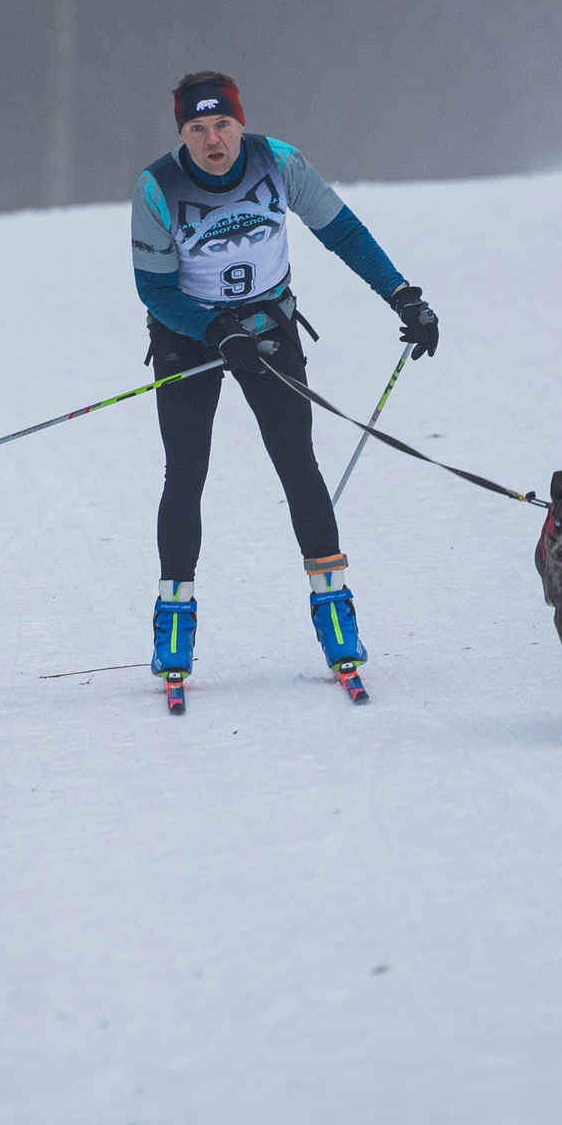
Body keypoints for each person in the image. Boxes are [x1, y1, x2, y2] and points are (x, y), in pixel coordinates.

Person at [130, 71, 439, 699]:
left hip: (268, 327)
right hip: (188, 333)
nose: (213, 140)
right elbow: (155, 289)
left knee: (298, 463)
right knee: (185, 471)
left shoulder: (280, 164)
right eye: (197, 128)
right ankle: (174, 626)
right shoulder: (158, 186)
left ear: (240, 123)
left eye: (222, 125)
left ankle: (335, 618)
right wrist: (214, 330)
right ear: (182, 133)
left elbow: (343, 233)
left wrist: (401, 295)